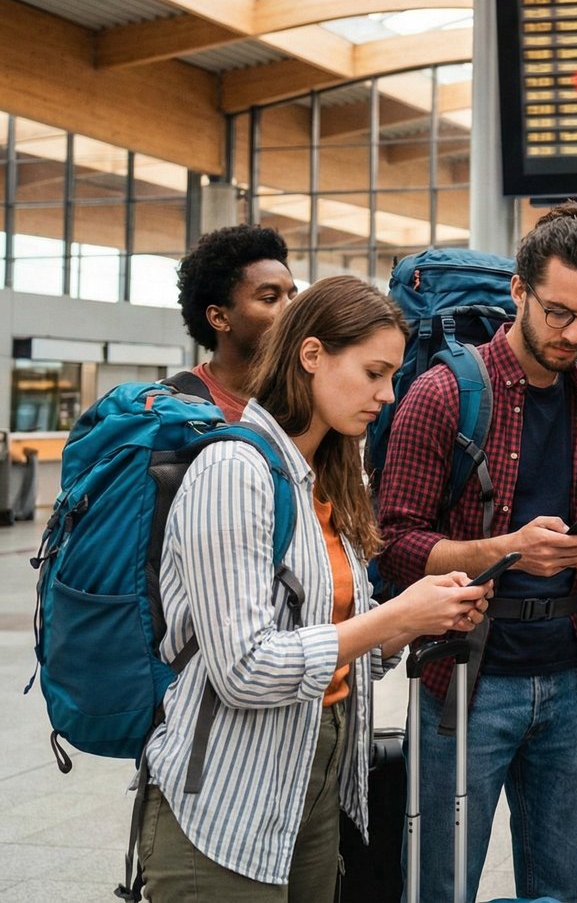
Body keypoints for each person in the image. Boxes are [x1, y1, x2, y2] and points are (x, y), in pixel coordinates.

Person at [137, 276, 489, 900]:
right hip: (226, 797)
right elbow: (244, 668)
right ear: (311, 355)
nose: (387, 395)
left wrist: (416, 618)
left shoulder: (323, 480)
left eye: (392, 377)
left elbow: (344, 644)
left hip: (313, 785)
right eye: (374, 373)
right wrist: (394, 617)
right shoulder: (233, 472)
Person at [376, 203, 577, 903]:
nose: (573, 333)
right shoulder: (444, 393)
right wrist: (506, 550)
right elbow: (392, 542)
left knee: (558, 890)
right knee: (439, 884)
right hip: (464, 682)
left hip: (569, 679)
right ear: (518, 291)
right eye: (557, 312)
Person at [174, 223, 298, 420]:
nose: (291, 307)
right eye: (270, 298)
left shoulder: (305, 402)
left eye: (292, 296)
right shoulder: (178, 412)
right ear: (220, 318)